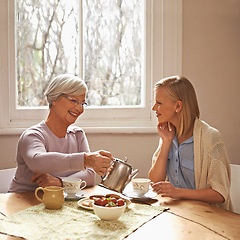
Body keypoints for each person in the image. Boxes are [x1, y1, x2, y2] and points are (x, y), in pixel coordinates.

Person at [9, 74, 113, 193]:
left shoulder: (78, 135)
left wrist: (60, 182)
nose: (79, 108)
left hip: (54, 205)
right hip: (21, 202)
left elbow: (89, 176)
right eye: (74, 100)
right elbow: (37, 162)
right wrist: (85, 160)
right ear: (54, 99)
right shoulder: (33, 135)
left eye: (82, 103)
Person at [149, 75, 232, 211]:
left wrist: (177, 192)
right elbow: (154, 181)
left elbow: (220, 193)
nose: (154, 108)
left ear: (178, 105)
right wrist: (166, 142)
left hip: (207, 215)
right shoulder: (168, 135)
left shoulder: (211, 138)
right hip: (175, 213)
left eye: (159, 103)